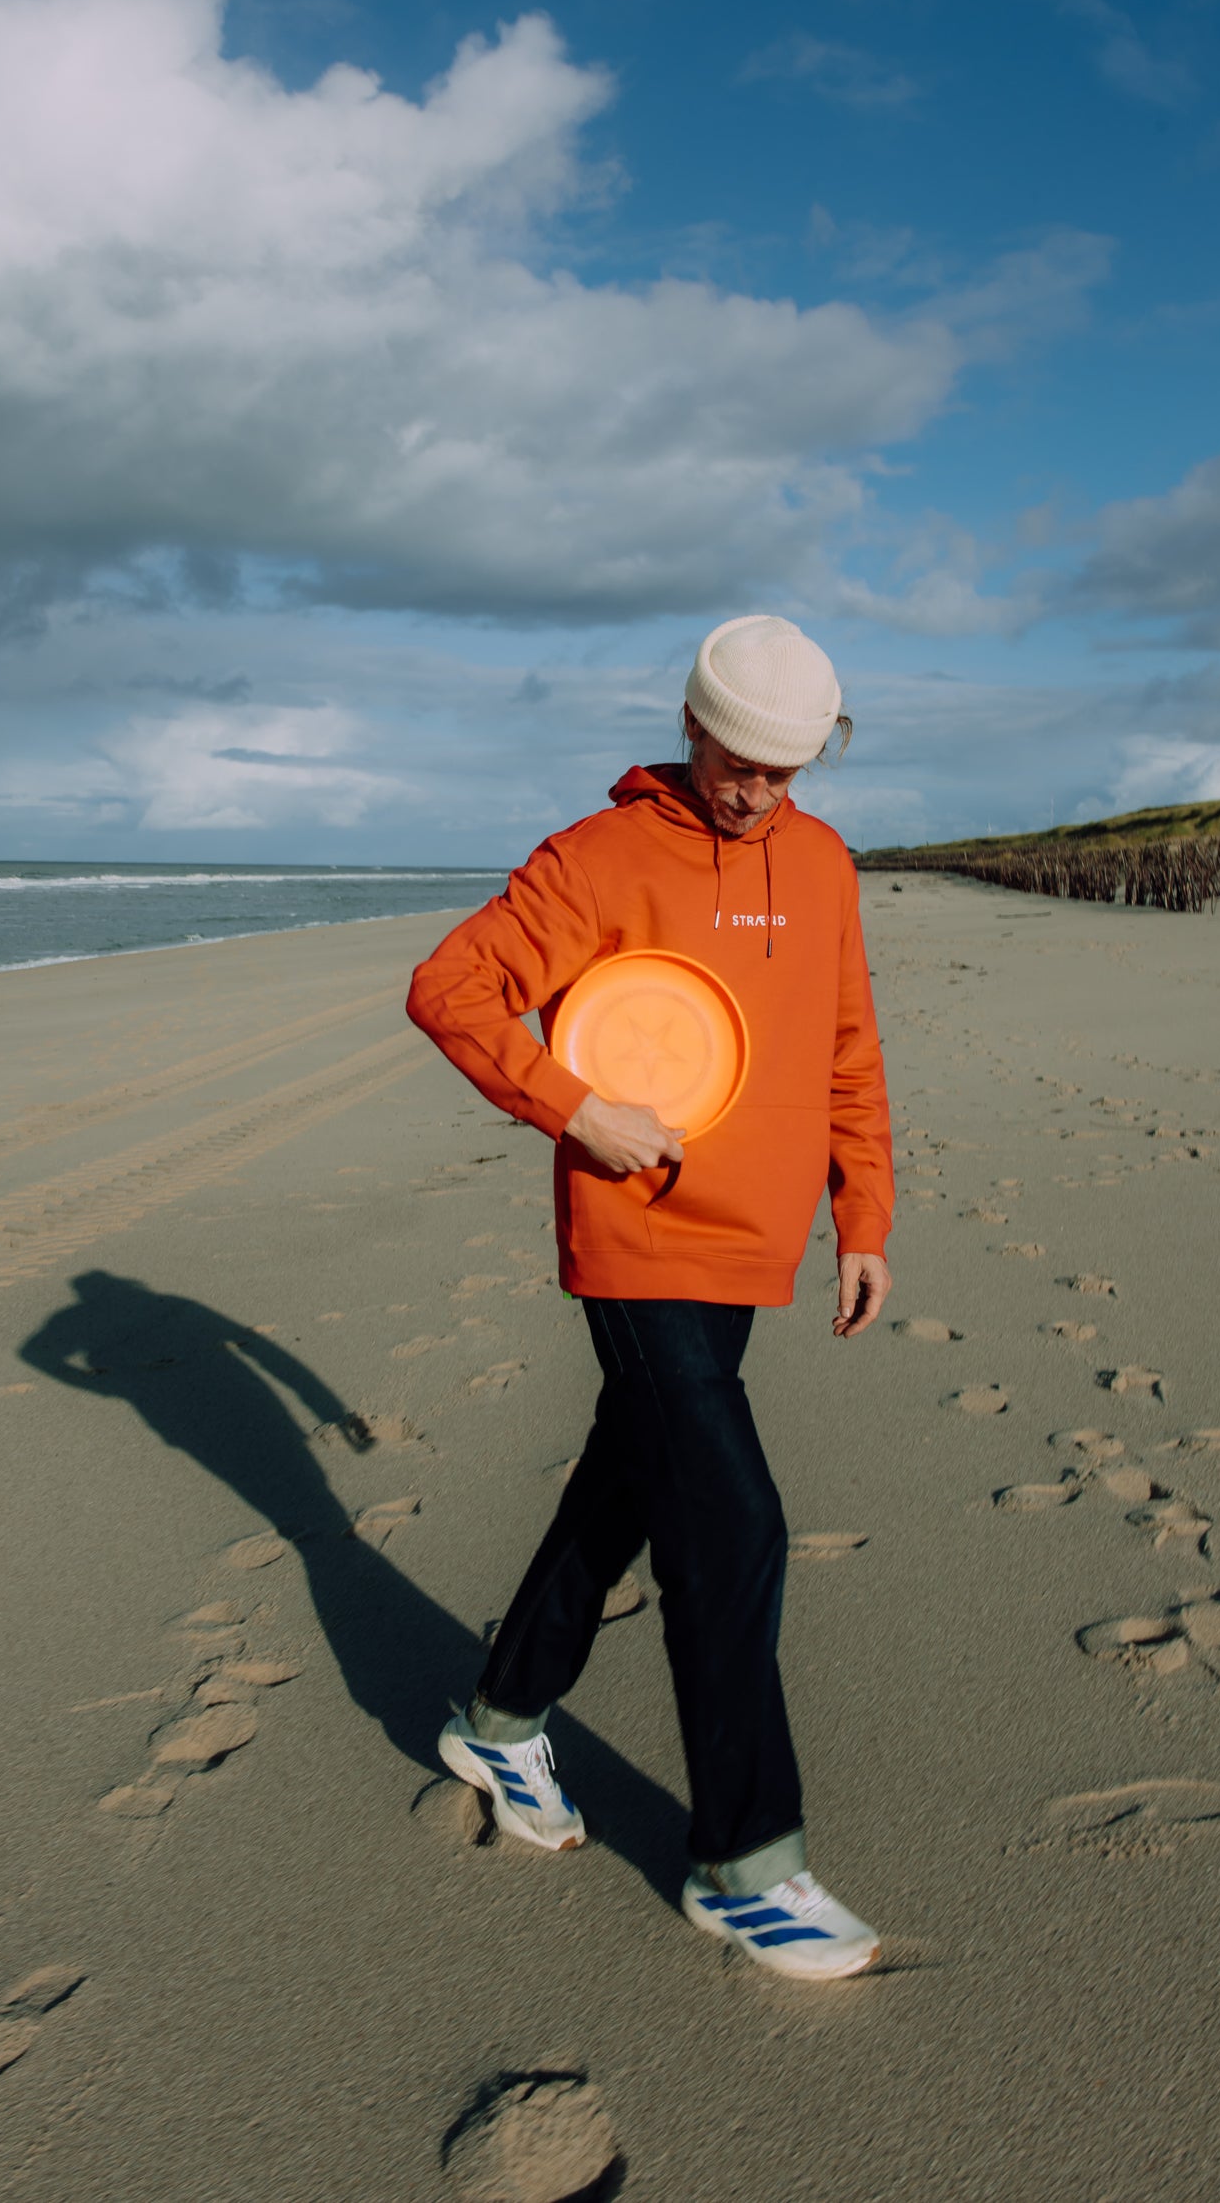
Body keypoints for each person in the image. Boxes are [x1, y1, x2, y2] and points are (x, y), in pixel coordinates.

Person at [405, 614, 894, 1980]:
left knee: (626, 1482)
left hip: (754, 1243)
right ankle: (749, 1864)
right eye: (738, 761)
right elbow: (451, 987)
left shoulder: (825, 863)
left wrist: (865, 1210)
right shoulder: (601, 858)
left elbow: (848, 1044)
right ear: (692, 728)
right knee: (733, 1524)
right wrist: (576, 1108)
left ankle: (499, 1725)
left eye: (786, 771)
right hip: (634, 1232)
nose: (757, 791)